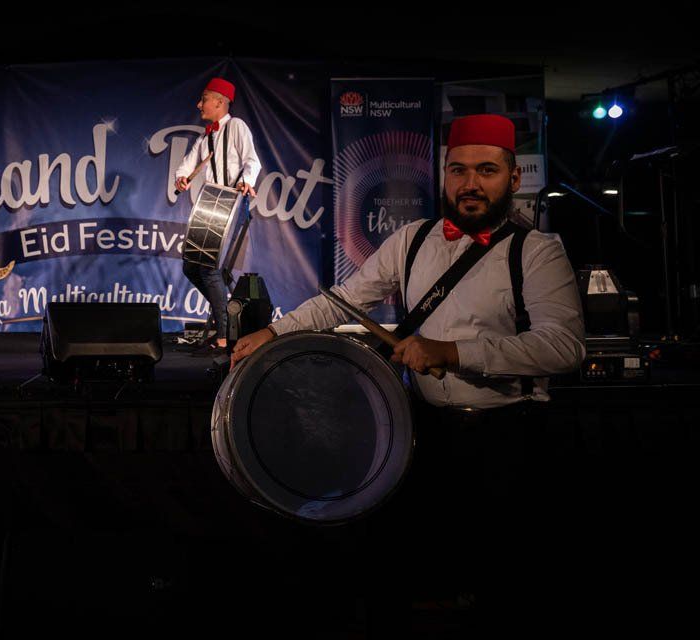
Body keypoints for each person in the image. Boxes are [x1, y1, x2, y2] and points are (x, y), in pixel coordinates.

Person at [230, 114, 586, 622]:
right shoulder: (411, 240)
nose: (469, 184)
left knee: (502, 578)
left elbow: (564, 347)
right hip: (422, 432)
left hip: (508, 437)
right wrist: (274, 332)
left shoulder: (537, 253)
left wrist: (453, 352)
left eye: (486, 170)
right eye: (457, 170)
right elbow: (345, 302)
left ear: (514, 178)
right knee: (416, 572)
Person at [175, 77, 261, 353]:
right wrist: (181, 177)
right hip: (209, 200)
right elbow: (188, 164)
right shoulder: (206, 135)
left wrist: (247, 179)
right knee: (191, 265)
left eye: (204, 99)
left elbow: (252, 160)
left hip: (228, 199)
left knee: (209, 267)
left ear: (220, 102)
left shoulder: (236, 127)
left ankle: (224, 333)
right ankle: (224, 312)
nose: (199, 104)